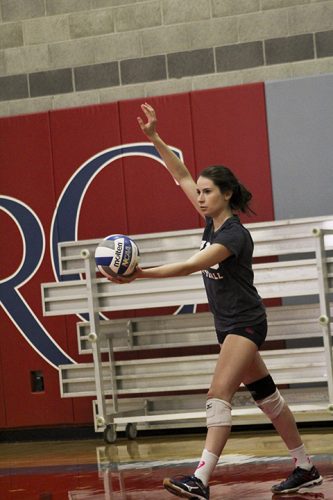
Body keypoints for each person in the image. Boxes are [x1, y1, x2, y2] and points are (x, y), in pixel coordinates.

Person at [112, 103, 323, 499]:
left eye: (208, 192)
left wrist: (139, 273)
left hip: (245, 324)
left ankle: (201, 479)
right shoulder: (213, 221)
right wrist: (155, 137)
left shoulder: (233, 236)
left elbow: (192, 265)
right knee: (268, 399)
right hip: (230, 326)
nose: (201, 196)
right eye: (201, 192)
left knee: (217, 395)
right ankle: (306, 467)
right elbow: (181, 173)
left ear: (226, 194)